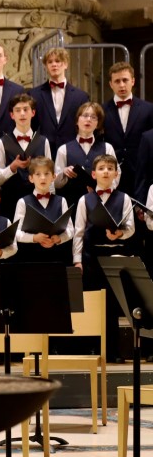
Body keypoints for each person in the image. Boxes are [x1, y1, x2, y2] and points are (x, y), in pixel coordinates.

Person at [72, 154, 134, 362]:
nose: (106, 171)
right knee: (94, 304)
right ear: (93, 174)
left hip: (115, 255)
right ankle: (93, 349)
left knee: (114, 304)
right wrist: (77, 259)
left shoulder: (124, 198)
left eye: (110, 168)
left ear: (116, 173)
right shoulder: (85, 199)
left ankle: (114, 352)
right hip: (92, 257)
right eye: (101, 168)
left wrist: (120, 234)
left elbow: (131, 228)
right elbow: (79, 232)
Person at [0, 94, 52, 219]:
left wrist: (51, 202)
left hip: (39, 203)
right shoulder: (2, 142)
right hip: (9, 203)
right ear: (12, 115)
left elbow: (51, 177)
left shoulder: (43, 141)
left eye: (26, 109)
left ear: (33, 112)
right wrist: (12, 167)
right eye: (18, 110)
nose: (22, 114)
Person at [101, 62, 153, 197]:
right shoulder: (102, 110)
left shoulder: (148, 109)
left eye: (125, 80)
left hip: (140, 174)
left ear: (133, 81)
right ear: (111, 84)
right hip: (112, 175)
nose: (122, 85)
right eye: (117, 81)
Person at [54, 102, 117, 208]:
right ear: (77, 121)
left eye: (93, 117)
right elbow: (55, 184)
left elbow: (116, 175)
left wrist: (104, 190)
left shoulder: (107, 148)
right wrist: (64, 173)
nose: (88, 119)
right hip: (72, 205)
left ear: (98, 124)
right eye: (85, 115)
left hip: (101, 204)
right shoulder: (63, 149)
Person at [12, 157, 72, 264]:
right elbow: (16, 233)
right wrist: (34, 238)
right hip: (30, 258)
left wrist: (58, 238)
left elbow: (71, 230)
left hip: (57, 257)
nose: (43, 178)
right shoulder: (22, 202)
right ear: (31, 178)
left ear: (54, 176)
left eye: (47, 174)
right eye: (38, 174)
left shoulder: (61, 201)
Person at [30, 47, 89, 149]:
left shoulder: (81, 96)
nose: (54, 64)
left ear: (66, 64)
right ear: (45, 66)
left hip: (72, 150)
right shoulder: (34, 94)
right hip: (42, 151)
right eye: (50, 62)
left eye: (58, 61)